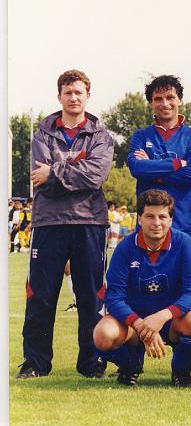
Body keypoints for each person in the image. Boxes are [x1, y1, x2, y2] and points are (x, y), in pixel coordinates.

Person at [18, 69, 113, 379]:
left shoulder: (101, 136)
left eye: (78, 92)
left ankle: (91, 363)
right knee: (41, 295)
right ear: (59, 96)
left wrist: (55, 171)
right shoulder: (42, 134)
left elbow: (95, 176)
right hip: (49, 222)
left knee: (91, 296)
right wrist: (73, 170)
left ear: (88, 96)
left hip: (90, 221)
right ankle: (35, 363)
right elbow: (40, 179)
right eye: (68, 92)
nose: (73, 97)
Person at [93, 189, 191, 387]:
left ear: (171, 220)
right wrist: (140, 325)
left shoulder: (185, 243)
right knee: (103, 334)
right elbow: (114, 298)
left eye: (162, 216)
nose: (156, 223)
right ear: (139, 219)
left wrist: (162, 317)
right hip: (133, 324)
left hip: (172, 322)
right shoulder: (125, 248)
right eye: (149, 216)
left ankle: (180, 369)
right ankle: (131, 365)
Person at [127, 75, 191, 277]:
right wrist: (177, 164)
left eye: (170, 97)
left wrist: (153, 173)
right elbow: (137, 169)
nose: (165, 103)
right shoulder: (141, 136)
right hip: (149, 224)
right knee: (147, 283)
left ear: (179, 99)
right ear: (150, 103)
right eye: (158, 99)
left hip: (186, 222)